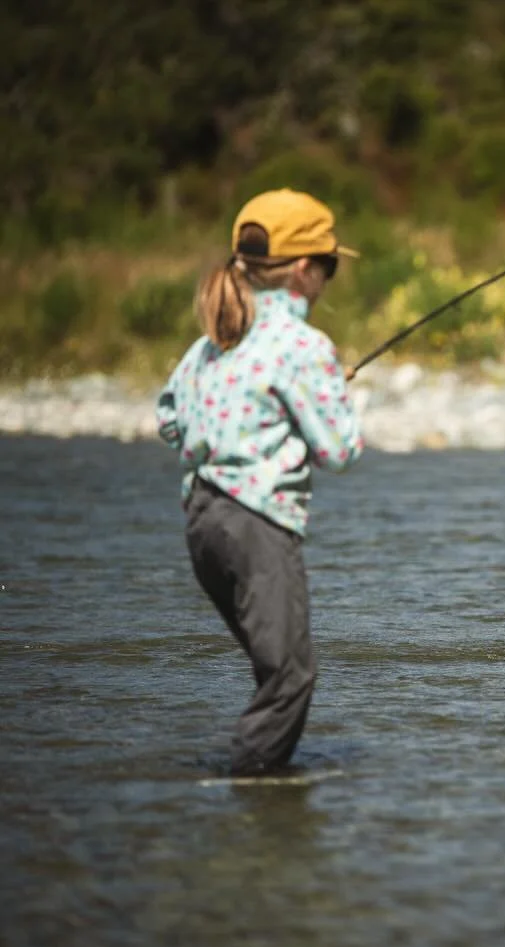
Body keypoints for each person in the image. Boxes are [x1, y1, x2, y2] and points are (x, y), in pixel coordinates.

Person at [155, 188, 364, 776]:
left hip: (202, 525)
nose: (328, 277)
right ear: (303, 270)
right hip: (257, 529)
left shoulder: (210, 344)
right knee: (290, 678)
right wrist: (330, 393)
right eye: (329, 265)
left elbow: (168, 419)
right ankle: (250, 796)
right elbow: (339, 450)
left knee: (273, 669)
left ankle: (250, 782)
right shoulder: (303, 346)